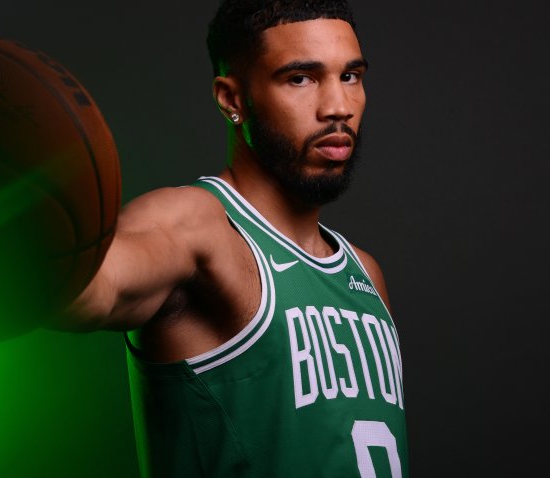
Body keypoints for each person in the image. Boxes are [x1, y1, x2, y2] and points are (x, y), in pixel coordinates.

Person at [62, 0, 408, 476]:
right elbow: (89, 290)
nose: (339, 107)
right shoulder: (196, 224)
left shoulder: (364, 274)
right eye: (300, 78)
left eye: (350, 75)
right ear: (232, 99)